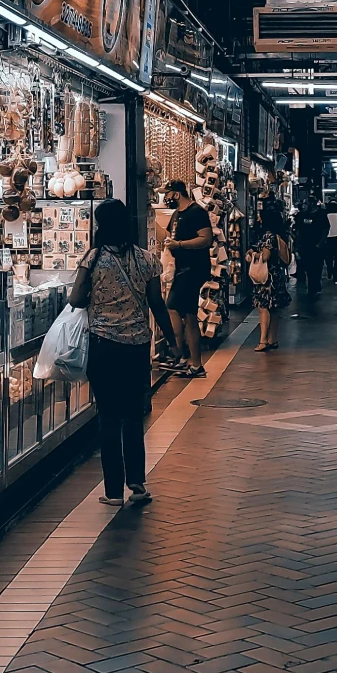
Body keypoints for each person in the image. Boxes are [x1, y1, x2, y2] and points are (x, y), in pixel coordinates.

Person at [67, 198, 180, 506]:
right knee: (133, 417)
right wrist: (171, 340)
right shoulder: (146, 259)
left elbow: (76, 299)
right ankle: (138, 485)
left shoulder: (93, 258)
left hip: (103, 347)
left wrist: (96, 294)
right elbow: (157, 303)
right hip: (137, 348)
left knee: (108, 417)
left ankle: (113, 491)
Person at [161, 181, 212, 377]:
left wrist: (180, 244)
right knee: (187, 313)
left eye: (168, 193)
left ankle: (182, 356)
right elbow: (167, 234)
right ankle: (190, 361)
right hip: (183, 268)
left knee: (174, 306)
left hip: (193, 269)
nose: (166, 197)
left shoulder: (196, 212)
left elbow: (206, 239)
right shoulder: (177, 215)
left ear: (177, 193)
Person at [248, 201, 293, 351]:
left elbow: (265, 256)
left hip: (267, 277)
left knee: (264, 307)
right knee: (274, 309)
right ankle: (273, 339)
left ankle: (263, 340)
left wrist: (253, 254)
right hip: (277, 274)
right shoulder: (280, 234)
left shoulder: (268, 235)